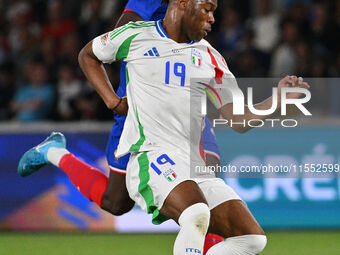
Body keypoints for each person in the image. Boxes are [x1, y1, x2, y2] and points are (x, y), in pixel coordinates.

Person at [19, 0, 310, 254]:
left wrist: (277, 102)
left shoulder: (213, 58)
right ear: (182, 2)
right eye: (207, 9)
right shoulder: (135, 36)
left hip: (192, 163)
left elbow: (237, 119)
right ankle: (55, 153)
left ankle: (54, 153)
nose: (212, 18)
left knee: (252, 239)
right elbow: (88, 55)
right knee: (195, 214)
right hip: (150, 154)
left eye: (214, 11)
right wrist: (114, 101)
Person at [19, 0, 223, 254]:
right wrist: (115, 102)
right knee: (115, 202)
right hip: (143, 101)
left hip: (187, 100)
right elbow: (122, 29)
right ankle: (53, 152)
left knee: (208, 184)